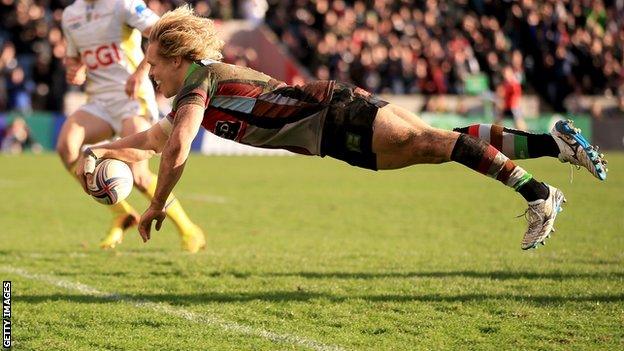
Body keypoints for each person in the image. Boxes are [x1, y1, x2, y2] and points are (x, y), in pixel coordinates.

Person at [75, 6, 607, 251]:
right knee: (444, 140)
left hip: (333, 122)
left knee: (436, 146)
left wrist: (158, 203)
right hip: (336, 107)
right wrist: (105, 149)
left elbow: (175, 150)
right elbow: (152, 140)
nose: (151, 75)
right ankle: (552, 144)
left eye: (154, 65)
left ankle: (539, 194)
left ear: (175, 58)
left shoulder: (198, 84)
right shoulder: (200, 86)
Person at [58, 0, 205, 252]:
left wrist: (140, 72)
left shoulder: (122, 4)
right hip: (99, 102)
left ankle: (189, 230)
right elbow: (75, 60)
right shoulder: (71, 14)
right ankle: (121, 214)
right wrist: (75, 70)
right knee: (66, 146)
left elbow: (161, 34)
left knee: (138, 175)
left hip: (131, 99)